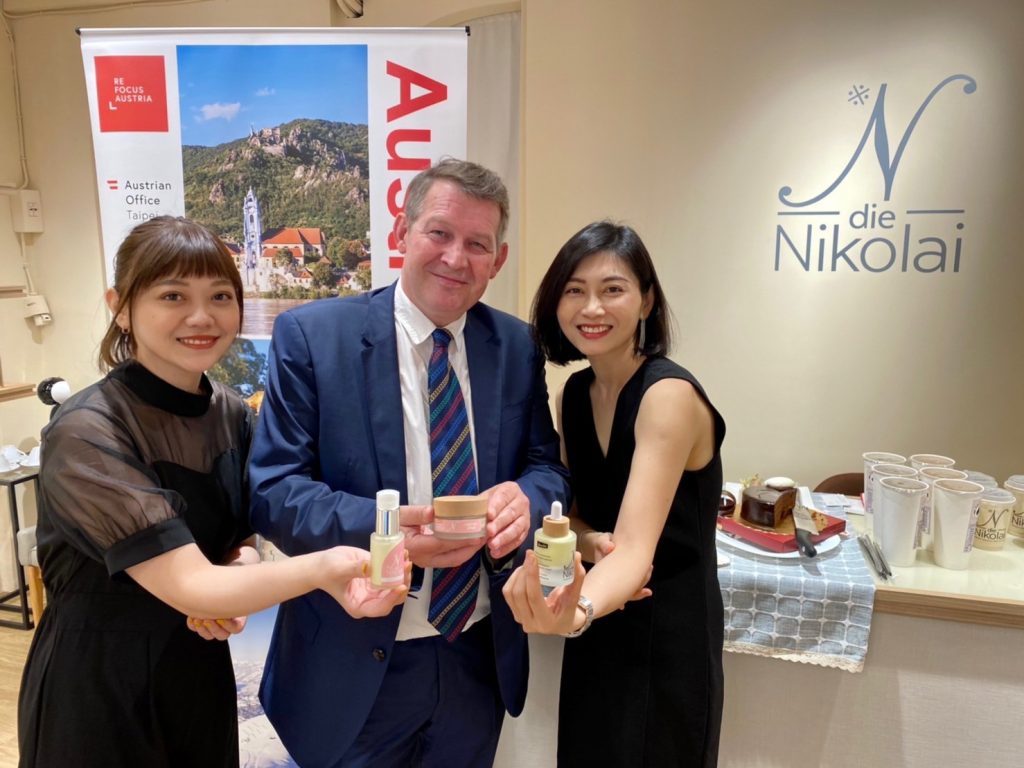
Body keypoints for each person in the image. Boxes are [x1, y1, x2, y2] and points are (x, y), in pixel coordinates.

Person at [17, 216, 409, 768]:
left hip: (198, 671)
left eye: (220, 296)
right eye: (172, 296)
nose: (201, 317)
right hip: (99, 686)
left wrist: (233, 581)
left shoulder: (231, 413)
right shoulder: (87, 430)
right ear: (120, 307)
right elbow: (191, 583)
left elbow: (236, 541)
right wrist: (326, 567)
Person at [248, 158, 571, 767]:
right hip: (351, 658)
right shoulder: (313, 338)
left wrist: (525, 502)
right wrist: (390, 534)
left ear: (498, 260)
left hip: (475, 656)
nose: (455, 258)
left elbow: (546, 468)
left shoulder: (517, 347)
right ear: (402, 231)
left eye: (477, 244)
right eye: (439, 233)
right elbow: (275, 493)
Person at [503, 221, 726, 767]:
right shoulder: (574, 394)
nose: (592, 308)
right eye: (574, 290)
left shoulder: (667, 396)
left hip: (667, 630)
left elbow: (634, 551)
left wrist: (574, 610)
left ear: (646, 301)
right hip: (600, 617)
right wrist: (586, 544)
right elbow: (577, 521)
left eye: (612, 289)